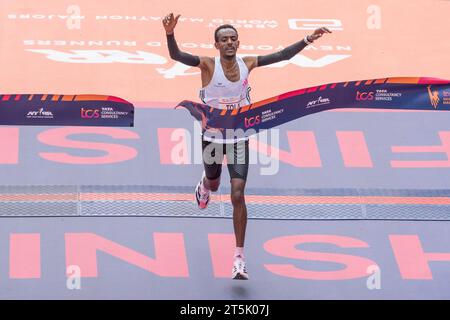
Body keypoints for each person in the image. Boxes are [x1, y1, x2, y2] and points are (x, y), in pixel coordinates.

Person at [162, 12, 331, 280]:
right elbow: (178, 57)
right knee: (215, 183)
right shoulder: (208, 65)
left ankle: (239, 258)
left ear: (238, 43)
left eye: (233, 39)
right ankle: (205, 185)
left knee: (238, 194)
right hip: (213, 138)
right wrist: (170, 34)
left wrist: (308, 39)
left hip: (240, 135)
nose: (229, 43)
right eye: (223, 40)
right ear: (216, 45)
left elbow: (282, 56)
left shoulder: (247, 62)